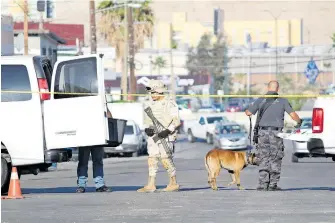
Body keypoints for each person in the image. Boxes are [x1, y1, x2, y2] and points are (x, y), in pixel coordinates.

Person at [245, 80, 302, 191]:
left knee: (263, 157)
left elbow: (248, 113)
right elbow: (293, 115)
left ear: (268, 87)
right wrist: (299, 122)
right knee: (275, 157)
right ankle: (272, 185)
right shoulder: (282, 101)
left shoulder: (260, 100)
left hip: (262, 133)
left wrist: (249, 108)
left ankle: (263, 184)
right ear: (278, 89)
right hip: (276, 133)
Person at [137, 79, 181, 193]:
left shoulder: (169, 103)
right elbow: (149, 121)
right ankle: (151, 184)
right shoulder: (150, 104)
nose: (151, 95)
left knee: (166, 158)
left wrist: (167, 131)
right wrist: (148, 129)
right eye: (150, 93)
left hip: (166, 136)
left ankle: (173, 182)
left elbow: (176, 121)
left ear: (159, 91)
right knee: (152, 158)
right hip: (154, 136)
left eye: (153, 92)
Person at [76, 107, 113, 193]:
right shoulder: (82, 102)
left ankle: (99, 185)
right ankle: (82, 185)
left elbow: (108, 114)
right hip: (84, 136)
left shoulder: (98, 101)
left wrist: (107, 111)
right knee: (83, 162)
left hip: (97, 136)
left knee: (96, 161)